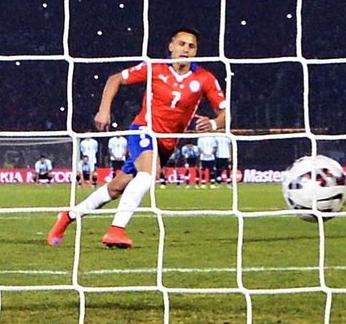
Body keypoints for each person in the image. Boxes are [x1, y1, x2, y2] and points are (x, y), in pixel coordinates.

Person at [47, 27, 229, 249]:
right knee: (149, 173)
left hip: (166, 144)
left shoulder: (205, 78)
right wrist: (104, 110)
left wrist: (213, 123)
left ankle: (67, 216)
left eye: (191, 46)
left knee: (115, 188)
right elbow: (115, 79)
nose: (186, 49)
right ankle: (116, 231)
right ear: (171, 47)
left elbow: (225, 114)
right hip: (143, 130)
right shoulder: (155, 68)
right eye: (181, 44)